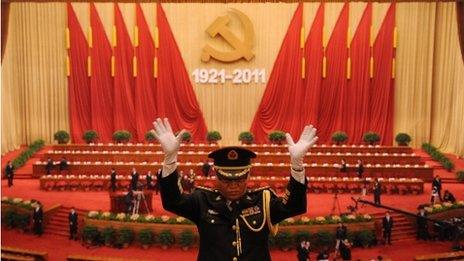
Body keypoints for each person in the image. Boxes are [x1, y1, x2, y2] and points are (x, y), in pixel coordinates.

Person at [153, 118, 317, 261]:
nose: (233, 185)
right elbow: (173, 202)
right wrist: (170, 160)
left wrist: (297, 166)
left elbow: (293, 206)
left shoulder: (263, 201)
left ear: (248, 176)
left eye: (239, 179)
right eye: (226, 179)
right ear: (216, 176)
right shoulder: (202, 200)